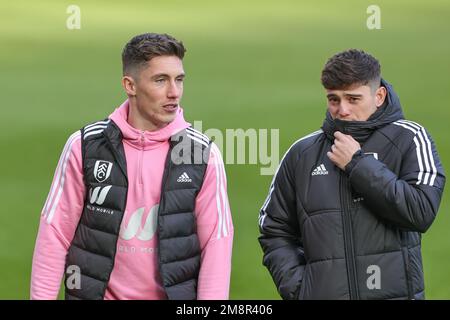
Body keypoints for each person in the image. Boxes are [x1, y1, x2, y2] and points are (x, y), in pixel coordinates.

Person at [31, 33, 233, 300]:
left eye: (179, 79)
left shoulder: (202, 154)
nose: (174, 92)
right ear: (130, 85)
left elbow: (216, 243)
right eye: (160, 80)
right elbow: (54, 232)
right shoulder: (85, 145)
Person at [258, 49, 445, 300]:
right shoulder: (302, 153)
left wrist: (358, 165)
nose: (342, 110)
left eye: (353, 99)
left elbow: (420, 211)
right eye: (333, 99)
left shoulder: (410, 138)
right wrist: (301, 291)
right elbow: (274, 230)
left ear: (379, 96)